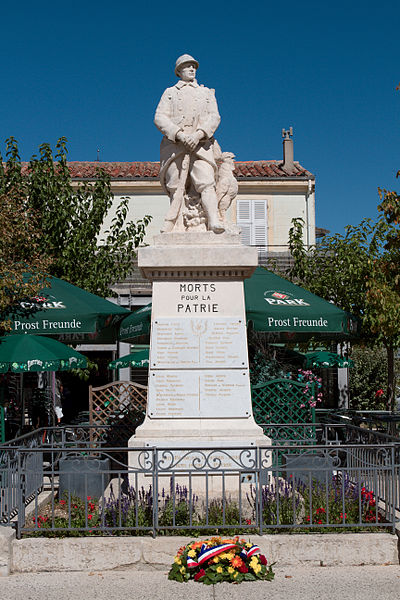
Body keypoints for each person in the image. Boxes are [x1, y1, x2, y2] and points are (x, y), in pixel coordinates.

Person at [154, 54, 225, 234]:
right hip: (176, 146)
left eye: (194, 66)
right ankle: (176, 223)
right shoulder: (170, 93)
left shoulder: (206, 93)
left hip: (201, 146)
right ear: (179, 71)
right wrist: (179, 135)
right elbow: (160, 117)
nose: (192, 69)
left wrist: (198, 134)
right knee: (175, 184)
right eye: (187, 66)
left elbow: (214, 117)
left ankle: (214, 220)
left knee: (206, 181)